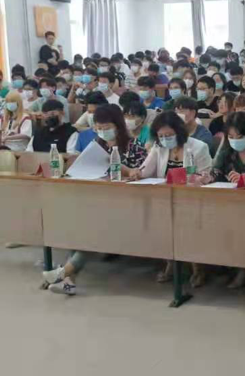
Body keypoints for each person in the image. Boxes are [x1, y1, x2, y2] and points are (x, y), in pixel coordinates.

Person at [42, 105, 147, 296]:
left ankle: (64, 272)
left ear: (117, 125)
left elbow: (140, 174)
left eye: (106, 127)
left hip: (125, 204)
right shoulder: (96, 145)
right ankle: (69, 279)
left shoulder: (134, 146)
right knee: (79, 222)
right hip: (97, 201)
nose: (102, 131)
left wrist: (122, 169)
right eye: (99, 128)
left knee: (95, 227)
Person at [127, 111, 212, 286]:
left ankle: (198, 267)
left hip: (193, 199)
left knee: (187, 226)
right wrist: (137, 173)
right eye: (161, 136)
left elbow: (207, 175)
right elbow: (146, 170)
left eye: (169, 135)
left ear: (179, 132)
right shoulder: (159, 147)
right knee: (158, 222)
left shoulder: (199, 147)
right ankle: (171, 263)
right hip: (165, 199)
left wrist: (198, 179)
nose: (165, 139)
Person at [206, 112, 245, 291]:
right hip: (233, 202)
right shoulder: (227, 149)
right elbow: (216, 171)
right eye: (231, 137)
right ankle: (244, 268)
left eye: (239, 136)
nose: (235, 141)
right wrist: (206, 178)